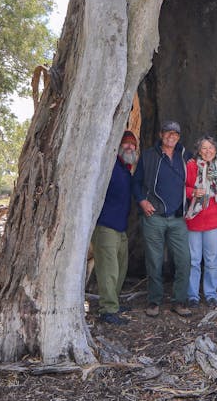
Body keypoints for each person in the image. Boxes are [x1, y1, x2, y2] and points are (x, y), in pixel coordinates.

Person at [132, 120, 193, 317]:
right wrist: (142, 201)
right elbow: (136, 182)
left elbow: (206, 163)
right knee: (154, 261)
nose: (171, 136)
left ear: (179, 137)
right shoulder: (149, 156)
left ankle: (179, 300)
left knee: (184, 259)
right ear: (161, 135)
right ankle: (154, 301)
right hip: (154, 216)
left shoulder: (186, 157)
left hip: (178, 218)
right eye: (168, 133)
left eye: (175, 134)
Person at [91, 130, 138, 325]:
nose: (129, 147)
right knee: (108, 269)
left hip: (120, 227)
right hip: (105, 226)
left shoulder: (125, 169)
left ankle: (114, 302)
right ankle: (107, 310)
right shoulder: (108, 167)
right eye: (126, 144)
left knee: (121, 266)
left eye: (132, 145)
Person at [184, 135, 217, 308]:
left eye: (211, 148)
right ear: (198, 151)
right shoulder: (191, 166)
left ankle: (210, 294)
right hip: (194, 219)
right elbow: (182, 186)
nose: (207, 151)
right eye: (204, 148)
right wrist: (192, 192)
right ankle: (192, 295)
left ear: (216, 150)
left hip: (214, 220)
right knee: (193, 260)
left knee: (212, 260)